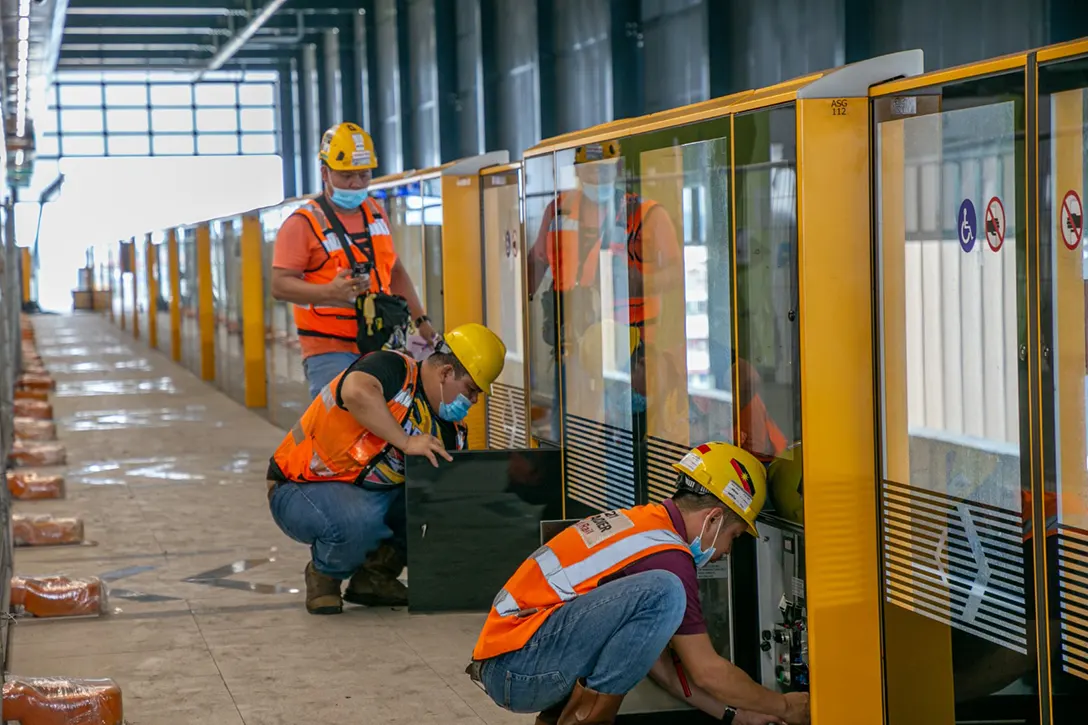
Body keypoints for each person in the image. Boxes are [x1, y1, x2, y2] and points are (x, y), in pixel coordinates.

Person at [466, 441, 810, 725]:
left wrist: (737, 715)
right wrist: (783, 706)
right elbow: (706, 670)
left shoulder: (645, 525)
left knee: (664, 594)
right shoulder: (668, 560)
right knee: (667, 590)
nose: (726, 552)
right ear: (714, 518)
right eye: (733, 536)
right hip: (519, 664)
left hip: (510, 662)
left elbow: (658, 667)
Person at [266, 323, 506, 614]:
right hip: (298, 486)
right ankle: (324, 575)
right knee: (361, 518)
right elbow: (356, 391)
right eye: (471, 390)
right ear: (445, 373)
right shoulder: (392, 368)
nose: (473, 401)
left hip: (364, 493)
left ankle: (374, 578)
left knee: (424, 503)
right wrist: (405, 441)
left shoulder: (450, 430)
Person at [270, 121, 438, 400]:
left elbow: (394, 271)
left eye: (363, 175)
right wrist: (328, 292)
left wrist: (421, 321)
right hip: (329, 349)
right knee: (340, 427)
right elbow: (279, 285)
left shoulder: (375, 211)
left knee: (386, 425)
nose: (357, 184)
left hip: (381, 343)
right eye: (347, 175)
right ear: (325, 172)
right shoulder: (302, 224)